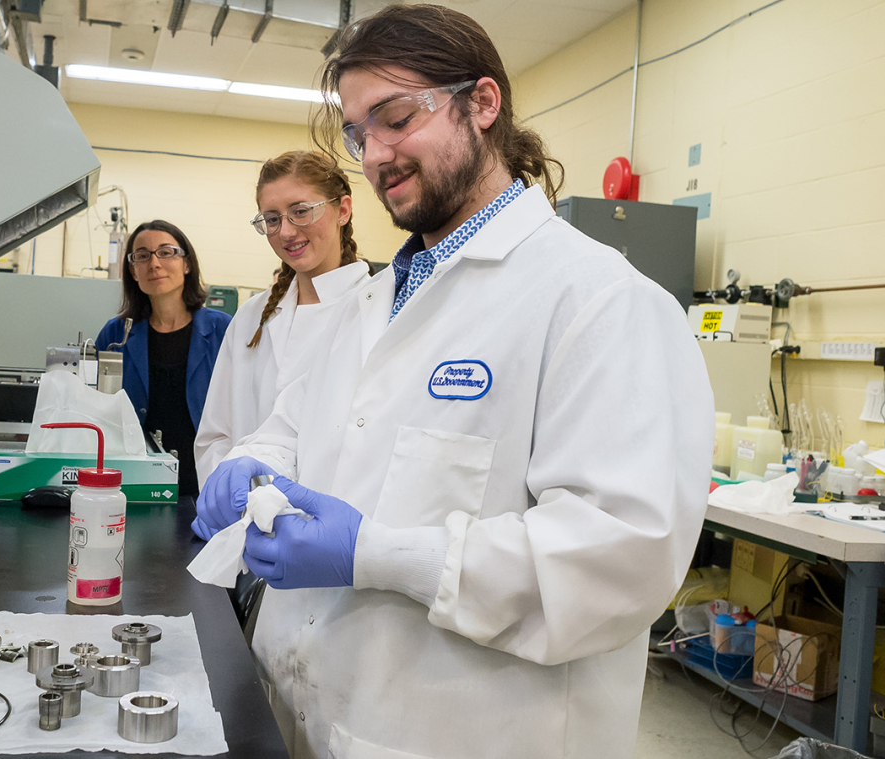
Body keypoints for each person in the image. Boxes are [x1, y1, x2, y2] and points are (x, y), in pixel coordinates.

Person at [194, 5, 714, 758]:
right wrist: (255, 461)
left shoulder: (601, 301)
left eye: (396, 117)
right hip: (298, 713)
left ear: (483, 103)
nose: (374, 155)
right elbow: (296, 427)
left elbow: (619, 558)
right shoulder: (368, 299)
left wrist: (374, 553)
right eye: (358, 134)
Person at [194, 151, 371, 488]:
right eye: (272, 219)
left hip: (332, 525)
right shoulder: (251, 317)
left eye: (301, 212)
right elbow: (215, 436)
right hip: (241, 525)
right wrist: (230, 501)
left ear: (343, 210)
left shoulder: (375, 310)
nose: (286, 231)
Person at [97, 220, 231, 499]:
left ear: (187, 264)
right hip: (134, 481)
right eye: (142, 256)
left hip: (209, 479)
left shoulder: (224, 331)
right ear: (133, 271)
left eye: (166, 252)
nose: (154, 263)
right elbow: (96, 409)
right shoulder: (115, 333)